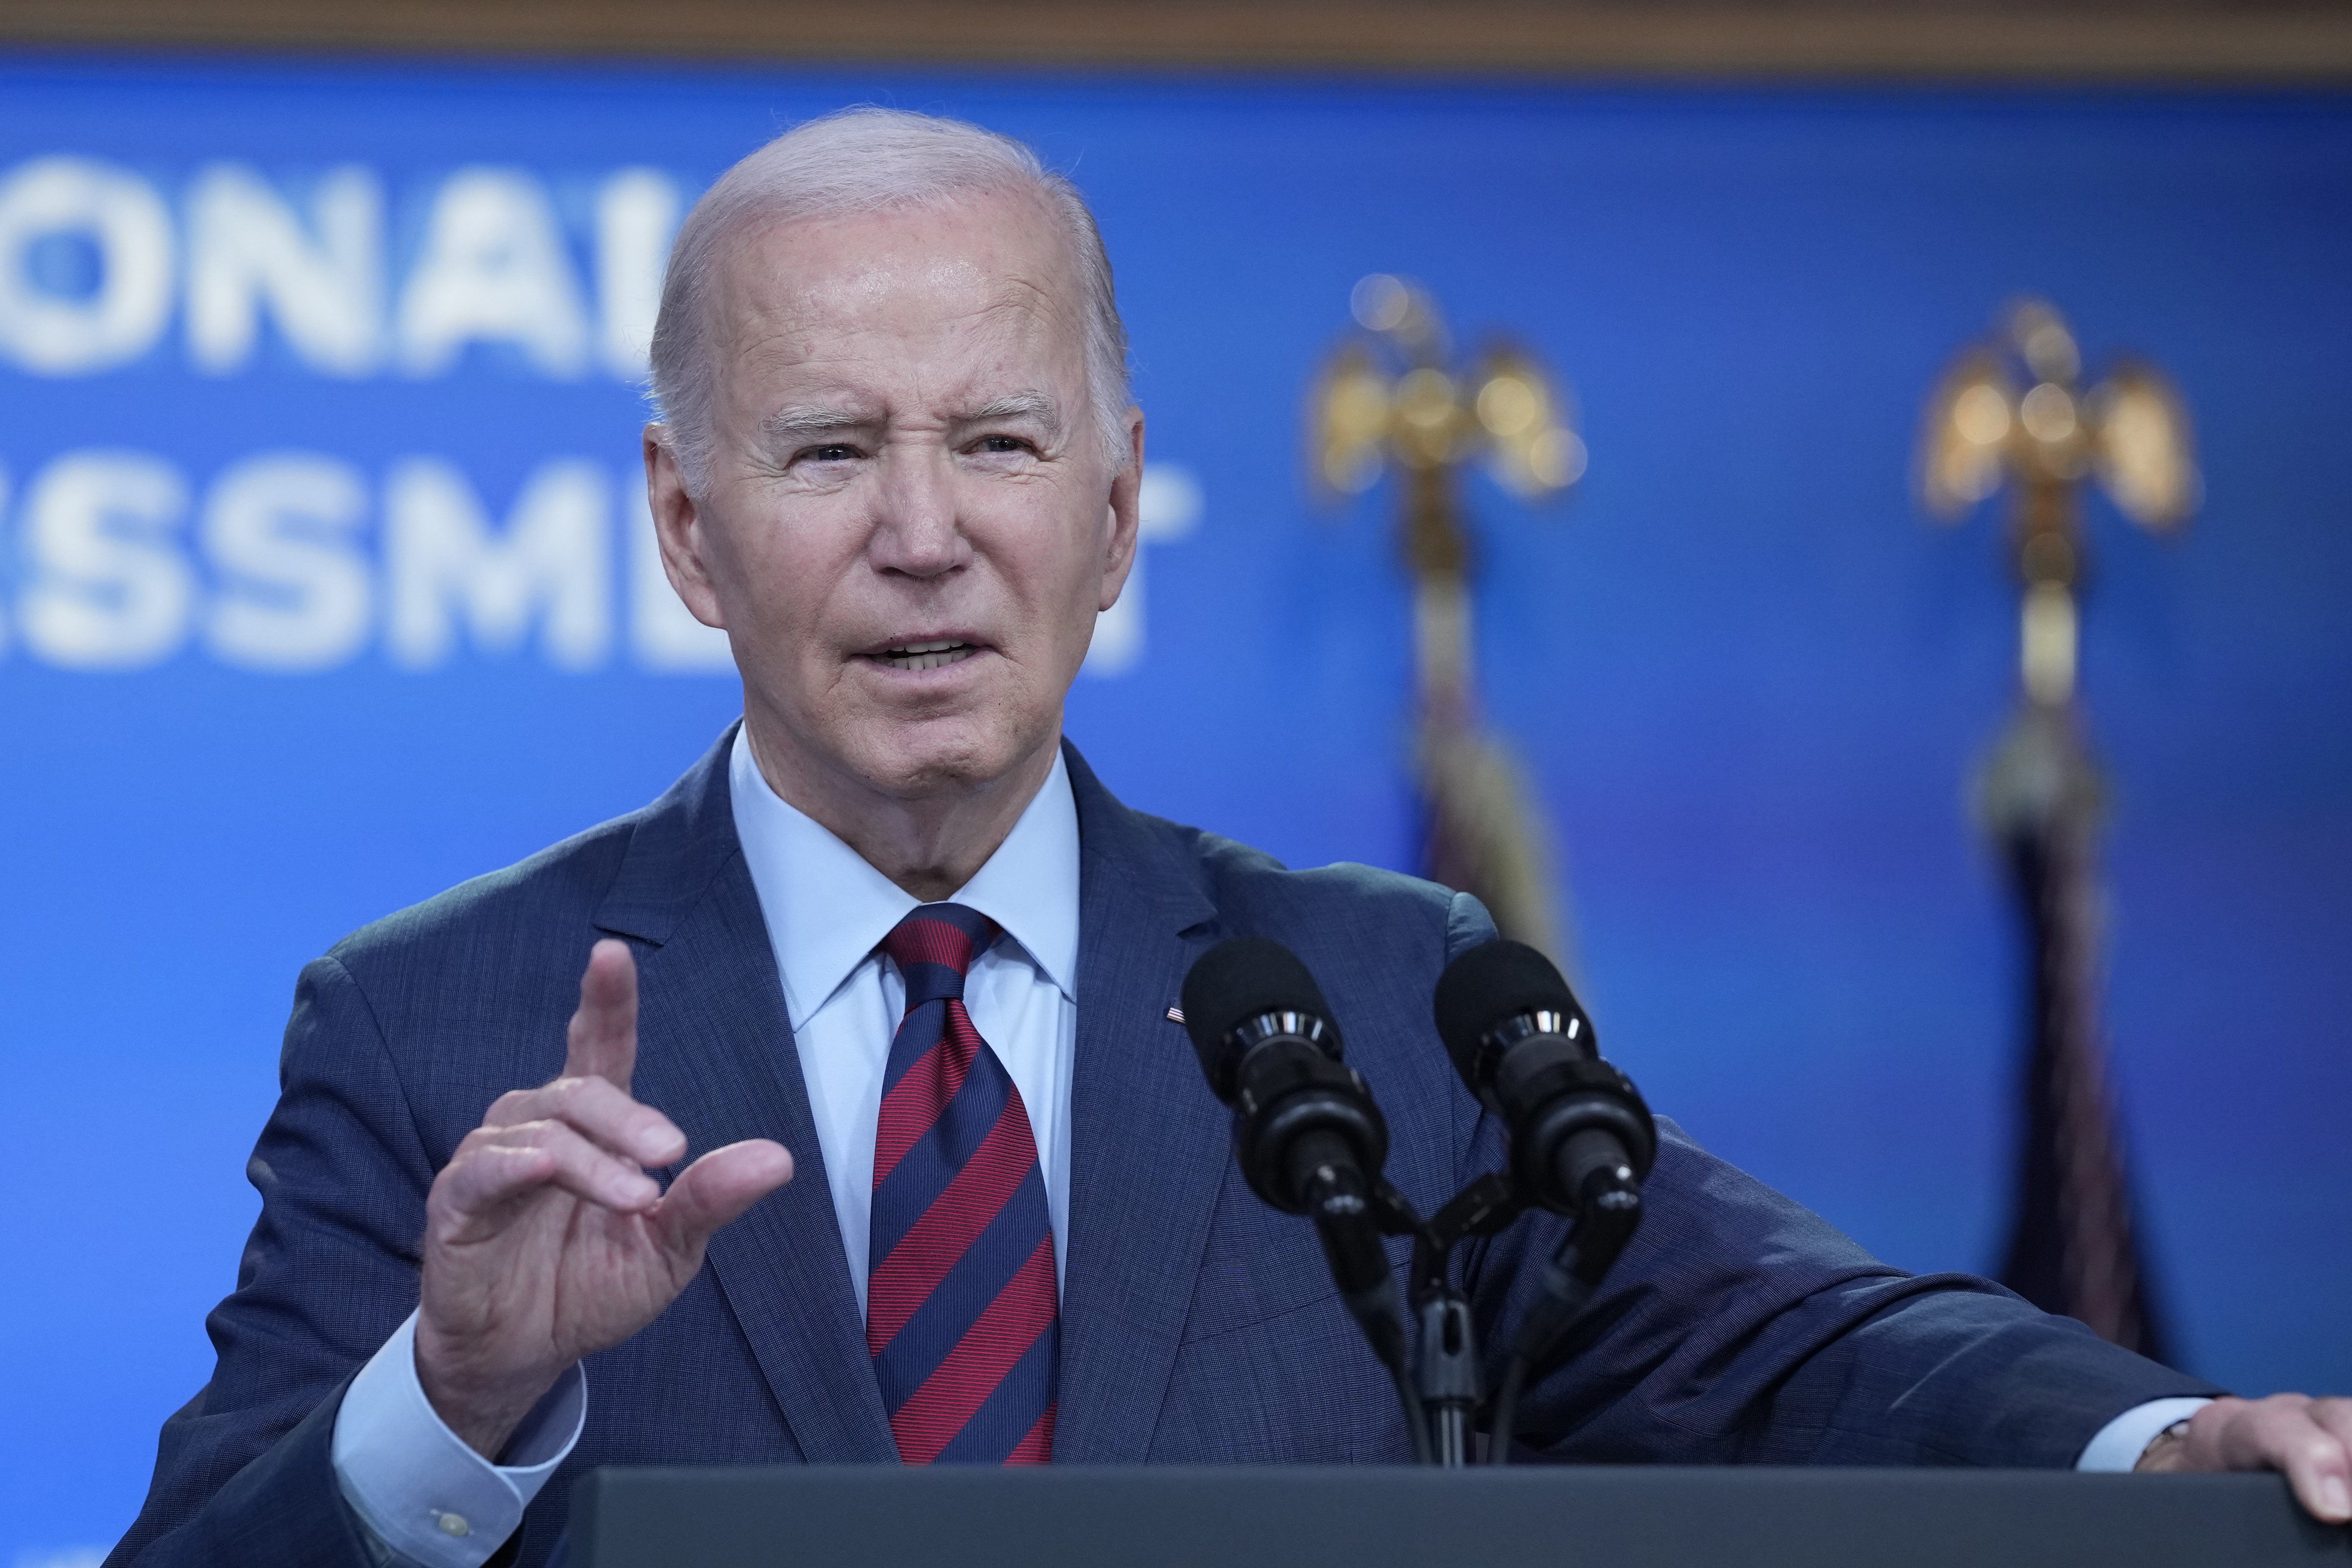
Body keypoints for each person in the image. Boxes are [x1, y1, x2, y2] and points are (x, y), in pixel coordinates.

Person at [107, 108, 2350, 1568]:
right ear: (687, 532)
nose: (922, 540)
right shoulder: (437, 1031)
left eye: (997, 442)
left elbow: (1786, 1342)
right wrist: (461, 1394)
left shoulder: (1388, 997)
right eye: (820, 457)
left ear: (1113, 510)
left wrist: (2165, 1450)